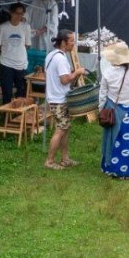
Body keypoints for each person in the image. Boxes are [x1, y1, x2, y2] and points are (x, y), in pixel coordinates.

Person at [97, 40, 129, 178]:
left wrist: (101, 110)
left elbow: (102, 94)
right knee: (128, 140)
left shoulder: (107, 73)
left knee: (112, 139)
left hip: (113, 110)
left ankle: (110, 167)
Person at [44, 30, 80, 169]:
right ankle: (50, 161)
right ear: (64, 42)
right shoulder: (61, 59)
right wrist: (76, 72)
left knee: (65, 128)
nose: (73, 43)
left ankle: (65, 159)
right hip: (58, 99)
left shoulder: (52, 55)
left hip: (56, 97)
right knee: (61, 129)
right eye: (71, 40)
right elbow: (65, 80)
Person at [0, 4, 33, 105]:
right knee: (7, 92)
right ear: (11, 13)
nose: (19, 16)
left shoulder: (26, 27)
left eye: (21, 13)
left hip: (21, 64)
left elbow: (27, 45)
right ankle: (6, 115)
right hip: (6, 63)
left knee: (21, 93)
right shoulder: (3, 27)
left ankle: (19, 117)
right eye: (16, 13)